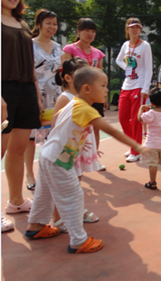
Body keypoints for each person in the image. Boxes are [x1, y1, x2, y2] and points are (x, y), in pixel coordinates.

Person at [25, 66, 151, 253]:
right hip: (58, 161)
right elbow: (112, 130)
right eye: (103, 85)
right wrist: (138, 146)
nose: (107, 90)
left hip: (47, 155)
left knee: (45, 194)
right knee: (73, 197)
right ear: (86, 89)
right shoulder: (85, 109)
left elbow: (57, 118)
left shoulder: (73, 103)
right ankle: (78, 241)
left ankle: (36, 226)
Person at [1, 0, 41, 232]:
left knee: (18, 148)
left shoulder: (23, 23)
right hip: (3, 90)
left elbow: (29, 63)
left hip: (26, 89)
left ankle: (16, 201)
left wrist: (36, 94)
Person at [50, 57, 100, 232]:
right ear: (68, 78)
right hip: (67, 149)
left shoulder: (83, 97)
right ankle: (57, 218)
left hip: (78, 148)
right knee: (64, 184)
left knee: (75, 184)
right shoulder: (65, 98)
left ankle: (76, 212)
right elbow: (56, 126)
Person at [24, 9, 63, 193]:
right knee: (32, 137)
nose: (52, 27)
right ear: (39, 24)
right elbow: (28, 73)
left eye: (54, 24)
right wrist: (36, 98)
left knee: (49, 136)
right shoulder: (29, 45)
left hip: (55, 98)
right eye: (48, 23)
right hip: (35, 97)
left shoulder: (57, 47)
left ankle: (46, 172)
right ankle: (29, 174)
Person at [61, 18, 107, 170]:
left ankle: (94, 159)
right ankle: (70, 159)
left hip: (93, 96)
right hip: (76, 95)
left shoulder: (98, 53)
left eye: (93, 31)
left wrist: (103, 96)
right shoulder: (70, 49)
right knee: (73, 128)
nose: (90, 33)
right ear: (79, 31)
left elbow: (100, 75)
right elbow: (64, 72)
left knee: (95, 127)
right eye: (86, 30)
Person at [115, 18, 153, 162]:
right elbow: (118, 60)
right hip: (126, 86)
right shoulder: (125, 45)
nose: (135, 30)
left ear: (140, 29)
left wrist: (145, 88)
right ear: (127, 29)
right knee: (123, 118)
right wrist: (126, 68)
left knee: (136, 120)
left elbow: (149, 68)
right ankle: (134, 145)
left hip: (139, 87)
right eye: (132, 27)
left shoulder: (145, 46)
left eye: (137, 27)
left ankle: (135, 152)